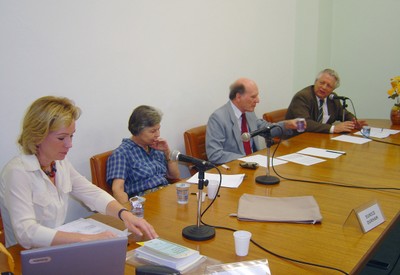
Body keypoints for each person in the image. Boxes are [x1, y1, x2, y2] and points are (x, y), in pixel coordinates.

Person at [0, 96, 158, 249]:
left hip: (55, 249)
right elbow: (27, 233)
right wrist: (88, 239)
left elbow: (91, 193)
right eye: (62, 138)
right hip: (23, 257)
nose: (70, 144)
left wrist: (125, 214)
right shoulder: (17, 172)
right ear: (37, 136)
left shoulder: (59, 163)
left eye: (71, 136)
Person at [206, 78, 300, 165]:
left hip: (254, 164)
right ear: (238, 97)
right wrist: (247, 159)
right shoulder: (218, 118)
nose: (258, 100)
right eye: (253, 97)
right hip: (235, 168)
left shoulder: (248, 112)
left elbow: (266, 129)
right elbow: (215, 154)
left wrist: (287, 125)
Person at [106, 105, 180, 204]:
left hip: (166, 195)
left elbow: (174, 176)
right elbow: (117, 189)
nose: (158, 134)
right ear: (137, 130)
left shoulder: (156, 147)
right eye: (153, 131)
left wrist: (167, 152)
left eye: (158, 129)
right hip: (145, 201)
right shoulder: (121, 154)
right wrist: (128, 213)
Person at [285, 68, 367, 133]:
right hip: (297, 139)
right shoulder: (302, 97)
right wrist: (333, 128)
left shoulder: (332, 98)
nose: (324, 87)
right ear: (315, 81)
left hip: (319, 138)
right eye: (322, 83)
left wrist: (354, 121)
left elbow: (343, 113)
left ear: (333, 89)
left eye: (328, 86)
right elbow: (304, 123)